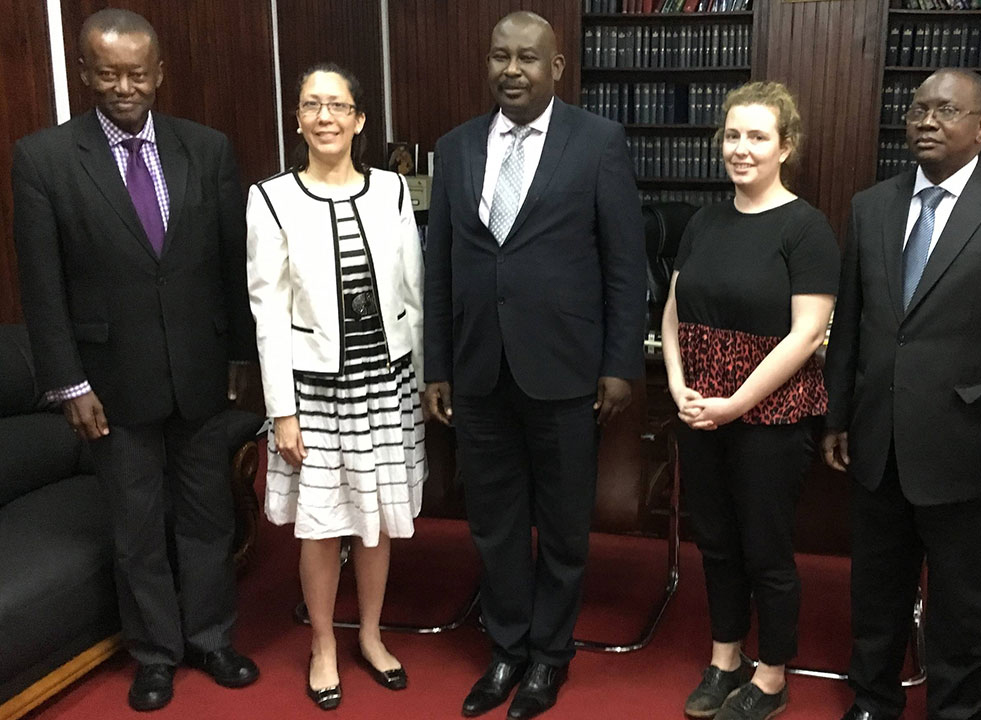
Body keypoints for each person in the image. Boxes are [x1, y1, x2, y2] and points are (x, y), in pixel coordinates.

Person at [11, 8, 259, 712]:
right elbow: (42, 285)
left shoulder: (206, 150)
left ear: (159, 73)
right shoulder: (44, 159)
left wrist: (243, 364)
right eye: (109, 73)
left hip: (202, 378)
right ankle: (154, 653)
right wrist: (69, 384)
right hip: (110, 387)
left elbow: (228, 268)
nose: (125, 86)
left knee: (209, 518)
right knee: (138, 527)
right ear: (86, 73)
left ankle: (210, 637)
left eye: (138, 73)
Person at [823, 68, 981, 720]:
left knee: (962, 604)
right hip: (879, 441)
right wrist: (839, 416)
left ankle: (957, 711)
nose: (927, 121)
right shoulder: (871, 206)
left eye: (947, 111)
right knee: (876, 590)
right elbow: (852, 324)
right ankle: (873, 700)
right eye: (918, 109)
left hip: (969, 450)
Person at [423, 11, 645, 720]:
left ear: (557, 68)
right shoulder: (455, 148)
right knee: (492, 521)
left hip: (566, 369)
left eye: (527, 58)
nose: (511, 70)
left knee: (563, 523)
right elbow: (442, 269)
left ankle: (550, 657)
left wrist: (620, 363)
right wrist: (439, 365)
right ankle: (507, 648)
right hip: (480, 370)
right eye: (499, 57)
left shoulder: (598, 142)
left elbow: (623, 261)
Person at [246, 62, 426, 711]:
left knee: (374, 522)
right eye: (311, 105)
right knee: (321, 526)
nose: (325, 117)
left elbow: (414, 293)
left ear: (359, 120)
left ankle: (371, 635)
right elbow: (266, 312)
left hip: (386, 383)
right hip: (312, 394)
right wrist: (281, 411)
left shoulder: (392, 191)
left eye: (337, 105)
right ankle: (323, 642)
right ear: (296, 119)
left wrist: (424, 380)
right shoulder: (270, 198)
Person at [661, 81, 839, 720]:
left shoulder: (806, 227)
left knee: (766, 547)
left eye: (757, 136)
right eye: (732, 135)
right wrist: (680, 384)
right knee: (716, 542)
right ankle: (725, 657)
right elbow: (675, 312)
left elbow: (807, 335)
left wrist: (734, 402)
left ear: (784, 146)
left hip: (768, 415)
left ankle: (770, 675)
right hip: (699, 409)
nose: (741, 148)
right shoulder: (704, 221)